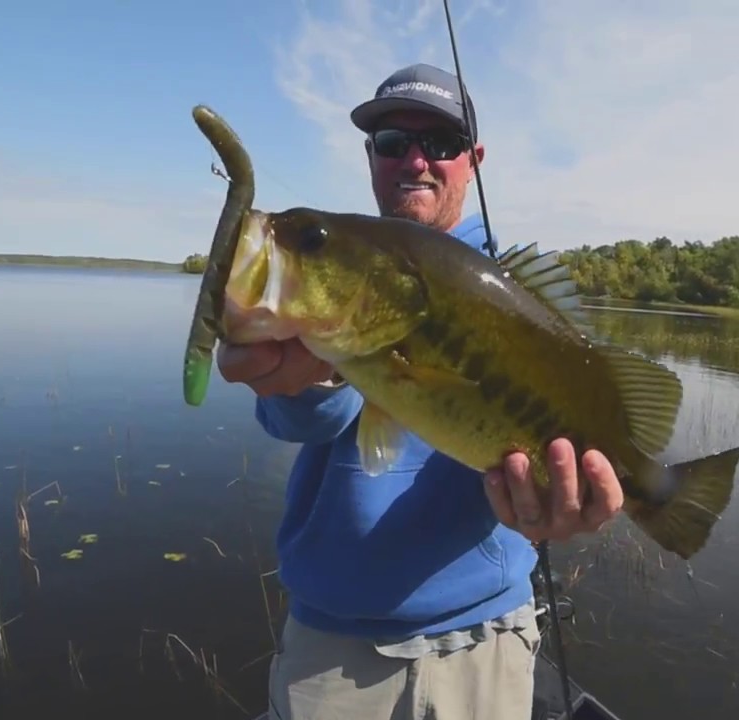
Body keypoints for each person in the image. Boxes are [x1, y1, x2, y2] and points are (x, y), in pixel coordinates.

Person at [217, 63, 626, 720]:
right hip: (332, 646)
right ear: (369, 157)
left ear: (474, 160)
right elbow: (311, 416)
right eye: (391, 142)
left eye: (440, 143)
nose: (416, 160)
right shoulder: (349, 275)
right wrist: (301, 371)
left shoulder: (512, 296)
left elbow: (563, 422)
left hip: (483, 641)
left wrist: (571, 503)